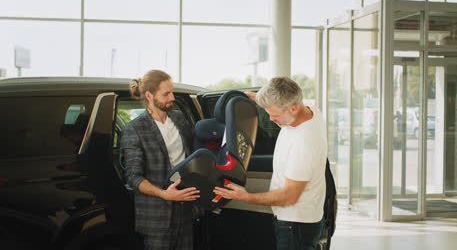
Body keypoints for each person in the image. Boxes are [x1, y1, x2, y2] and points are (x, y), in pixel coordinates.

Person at [214, 77, 327, 250]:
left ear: (293, 107)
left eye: (274, 115)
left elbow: (289, 196)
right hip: (305, 217)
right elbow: (281, 98)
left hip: (295, 223)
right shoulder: (311, 112)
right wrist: (256, 98)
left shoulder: (304, 143)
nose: (271, 118)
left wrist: (246, 197)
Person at [121, 70, 200, 250]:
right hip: (156, 218)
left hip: (186, 210)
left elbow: (193, 157)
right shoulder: (134, 129)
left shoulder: (180, 119)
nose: (172, 97)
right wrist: (165, 194)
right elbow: (133, 177)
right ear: (149, 95)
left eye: (172, 92)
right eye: (166, 94)